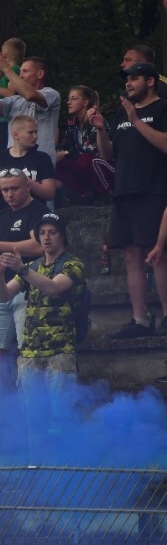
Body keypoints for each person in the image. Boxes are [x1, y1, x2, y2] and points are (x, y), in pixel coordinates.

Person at [0, 212, 84, 455]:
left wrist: (20, 268)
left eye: (52, 232)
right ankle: (38, 463)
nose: (46, 237)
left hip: (60, 351)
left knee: (62, 413)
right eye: (42, 233)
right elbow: (3, 296)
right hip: (30, 352)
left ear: (62, 235)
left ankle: (67, 463)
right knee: (33, 417)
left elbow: (53, 287)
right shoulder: (33, 266)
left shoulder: (73, 264)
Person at [92, 62, 167, 338]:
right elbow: (109, 154)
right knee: (130, 254)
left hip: (154, 189)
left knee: (157, 254)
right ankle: (139, 320)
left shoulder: (162, 108)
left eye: (134, 78)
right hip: (124, 191)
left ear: (150, 81)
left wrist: (136, 121)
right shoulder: (122, 112)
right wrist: (101, 130)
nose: (128, 83)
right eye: (127, 79)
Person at [0, 169, 46, 426]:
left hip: (29, 283)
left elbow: (39, 246)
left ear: (28, 186)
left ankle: (30, 414)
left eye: (14, 188)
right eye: (4, 190)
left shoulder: (39, 211)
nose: (9, 194)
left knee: (28, 352)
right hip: (0, 285)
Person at [0, 53, 62, 164]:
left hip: (41, 163)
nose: (20, 75)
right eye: (20, 71)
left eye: (25, 71)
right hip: (13, 162)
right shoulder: (14, 100)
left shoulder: (51, 94)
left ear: (40, 74)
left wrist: (6, 69)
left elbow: (30, 95)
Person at [56, 85, 114, 201]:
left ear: (85, 102)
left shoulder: (95, 119)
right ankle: (85, 195)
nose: (68, 102)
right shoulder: (72, 123)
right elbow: (65, 147)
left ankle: (106, 194)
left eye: (74, 98)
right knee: (60, 163)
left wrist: (67, 153)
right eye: (68, 99)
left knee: (86, 159)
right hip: (88, 166)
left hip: (107, 168)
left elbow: (94, 151)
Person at [0, 114, 57, 204]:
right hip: (5, 212)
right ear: (16, 135)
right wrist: (6, 183)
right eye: (30, 132)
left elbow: (50, 194)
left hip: (34, 212)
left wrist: (26, 181)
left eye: (36, 132)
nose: (35, 136)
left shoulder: (42, 158)